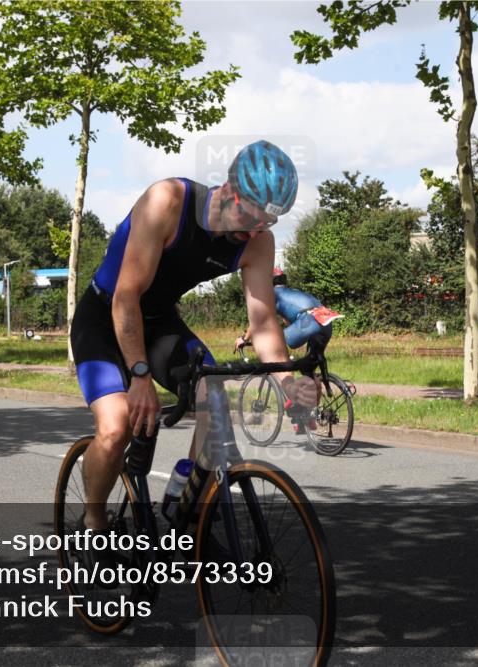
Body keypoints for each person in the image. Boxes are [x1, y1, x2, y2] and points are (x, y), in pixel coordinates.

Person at [71, 139, 318, 536]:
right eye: (250, 215)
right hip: (105, 315)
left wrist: (288, 382)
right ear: (229, 187)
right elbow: (125, 296)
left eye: (267, 222)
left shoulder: (257, 241)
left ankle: (181, 508)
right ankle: (94, 520)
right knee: (117, 426)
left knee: (215, 402)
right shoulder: (167, 201)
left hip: (158, 323)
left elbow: (264, 321)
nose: (254, 229)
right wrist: (139, 375)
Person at [235, 268, 343, 433]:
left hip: (308, 322)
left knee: (272, 348)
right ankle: (309, 416)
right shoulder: (293, 293)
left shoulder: (271, 295)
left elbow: (258, 321)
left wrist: (245, 339)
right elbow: (288, 320)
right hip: (326, 321)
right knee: (308, 371)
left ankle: (292, 397)